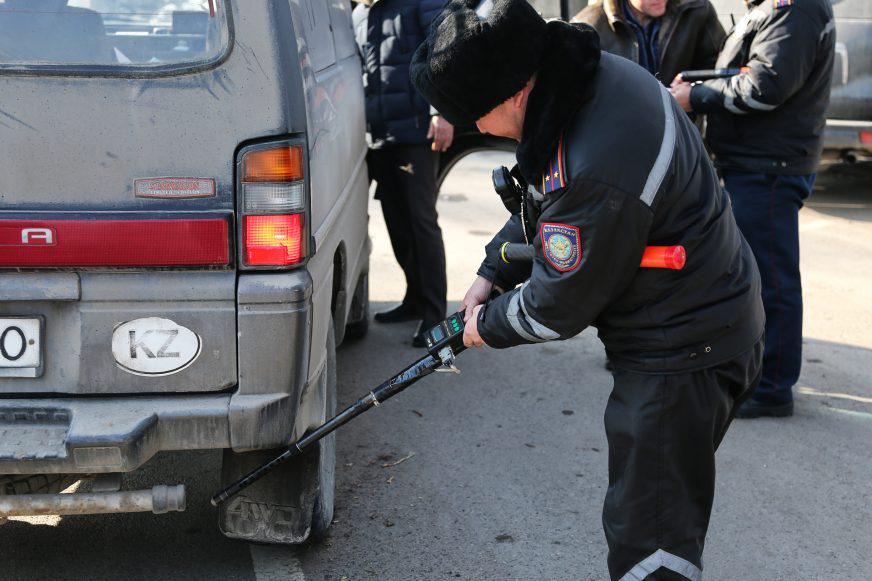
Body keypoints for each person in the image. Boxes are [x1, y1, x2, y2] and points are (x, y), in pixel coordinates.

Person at [411, 0, 764, 578]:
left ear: (511, 93)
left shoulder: (596, 160)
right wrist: (492, 271)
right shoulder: (581, 82)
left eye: (475, 115)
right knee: (653, 516)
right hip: (701, 320)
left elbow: (555, 308)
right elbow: (542, 202)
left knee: (651, 543)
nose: (475, 128)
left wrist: (482, 327)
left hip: (681, 354)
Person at [670, 0, 835, 418]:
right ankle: (753, 375)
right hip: (752, 163)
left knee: (771, 280)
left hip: (768, 168)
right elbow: (745, 73)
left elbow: (765, 86)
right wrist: (699, 82)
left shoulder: (797, 10)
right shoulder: (773, 9)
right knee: (748, 274)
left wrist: (697, 96)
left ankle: (773, 388)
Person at [352, 0, 452, 347]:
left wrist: (442, 112)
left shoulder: (420, 3)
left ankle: (435, 315)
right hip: (380, 135)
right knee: (396, 220)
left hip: (416, 133)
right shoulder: (360, 14)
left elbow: (444, 51)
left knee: (420, 221)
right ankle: (414, 300)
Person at [571, 0, 725, 85]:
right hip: (622, 132)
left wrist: (692, 93)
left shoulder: (696, 9)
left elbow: (719, 69)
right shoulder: (586, 26)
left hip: (681, 129)